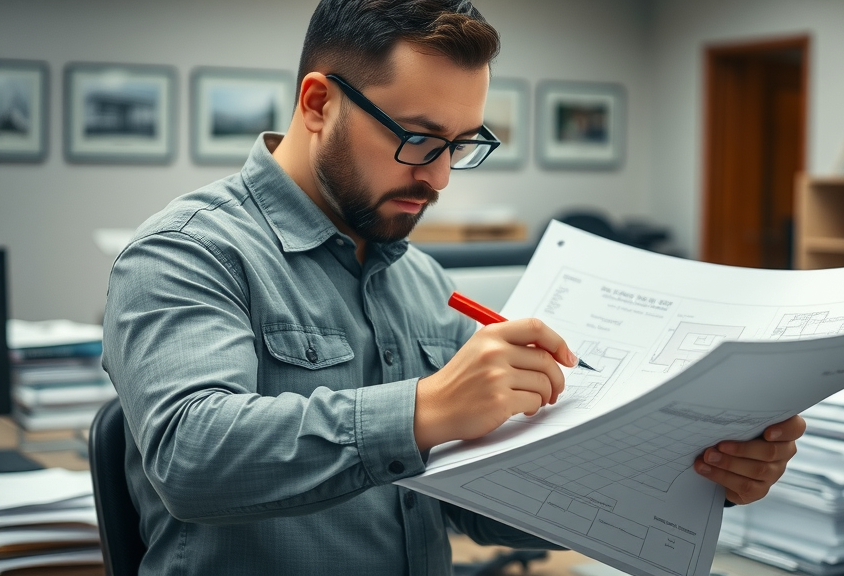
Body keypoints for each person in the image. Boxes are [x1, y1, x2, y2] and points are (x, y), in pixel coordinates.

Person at [102, 1, 807, 574]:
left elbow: (477, 503)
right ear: (317, 104)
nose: (439, 178)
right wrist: (426, 408)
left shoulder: (419, 279)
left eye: (462, 145)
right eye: (418, 139)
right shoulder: (188, 252)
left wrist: (690, 473)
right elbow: (188, 458)